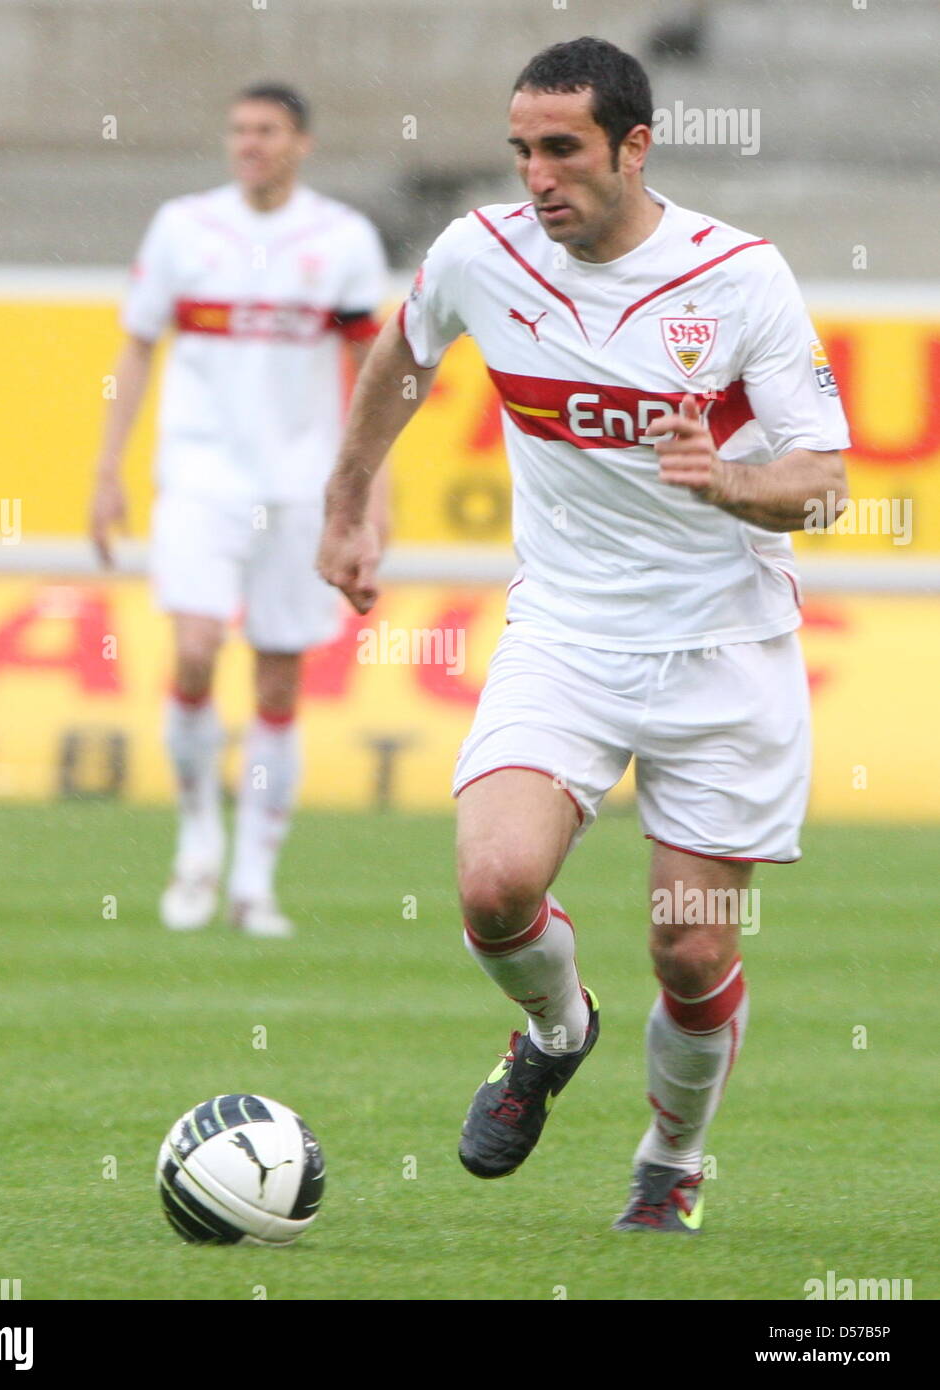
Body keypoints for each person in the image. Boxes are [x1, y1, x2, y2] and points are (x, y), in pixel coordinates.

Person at [317, 36, 849, 1232]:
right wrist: (346, 499)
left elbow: (823, 482)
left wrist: (731, 485)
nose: (536, 176)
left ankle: (669, 1161)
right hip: (565, 629)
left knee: (690, 956)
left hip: (724, 647)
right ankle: (556, 1032)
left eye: (561, 149)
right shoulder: (479, 254)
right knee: (494, 882)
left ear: (633, 145)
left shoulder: (737, 277)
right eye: (520, 151)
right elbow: (402, 355)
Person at [90, 84, 388, 936]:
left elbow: (375, 375)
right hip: (200, 477)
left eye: (265, 131)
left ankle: (255, 878)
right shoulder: (185, 225)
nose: (247, 144)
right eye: (238, 130)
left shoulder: (341, 240)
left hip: (302, 485)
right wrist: (108, 469)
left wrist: (369, 497)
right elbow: (138, 348)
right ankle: (197, 845)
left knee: (280, 676)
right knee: (192, 646)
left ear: (302, 141)